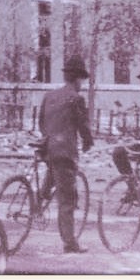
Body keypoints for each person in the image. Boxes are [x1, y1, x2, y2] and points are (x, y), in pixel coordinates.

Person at [38, 54, 94, 254]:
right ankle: (70, 243)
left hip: (49, 149)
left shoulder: (49, 96)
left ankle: (38, 200)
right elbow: (83, 126)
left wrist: (49, 137)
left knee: (53, 174)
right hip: (65, 153)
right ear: (78, 78)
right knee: (67, 199)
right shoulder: (76, 98)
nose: (82, 84)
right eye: (82, 80)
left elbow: (41, 123)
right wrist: (88, 142)